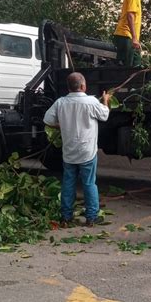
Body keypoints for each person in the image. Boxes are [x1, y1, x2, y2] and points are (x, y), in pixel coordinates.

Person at [43, 72, 111, 227]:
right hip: (87, 151)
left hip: (69, 152)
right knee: (89, 183)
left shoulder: (60, 103)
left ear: (68, 87)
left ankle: (66, 217)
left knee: (68, 183)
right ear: (83, 86)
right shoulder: (92, 101)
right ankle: (91, 217)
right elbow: (105, 115)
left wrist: (61, 125)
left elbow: (47, 120)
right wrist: (105, 101)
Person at [113, 0, 150, 67]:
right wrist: (134, 38)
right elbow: (130, 16)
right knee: (127, 67)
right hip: (125, 35)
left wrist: (136, 39)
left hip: (130, 37)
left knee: (136, 63)